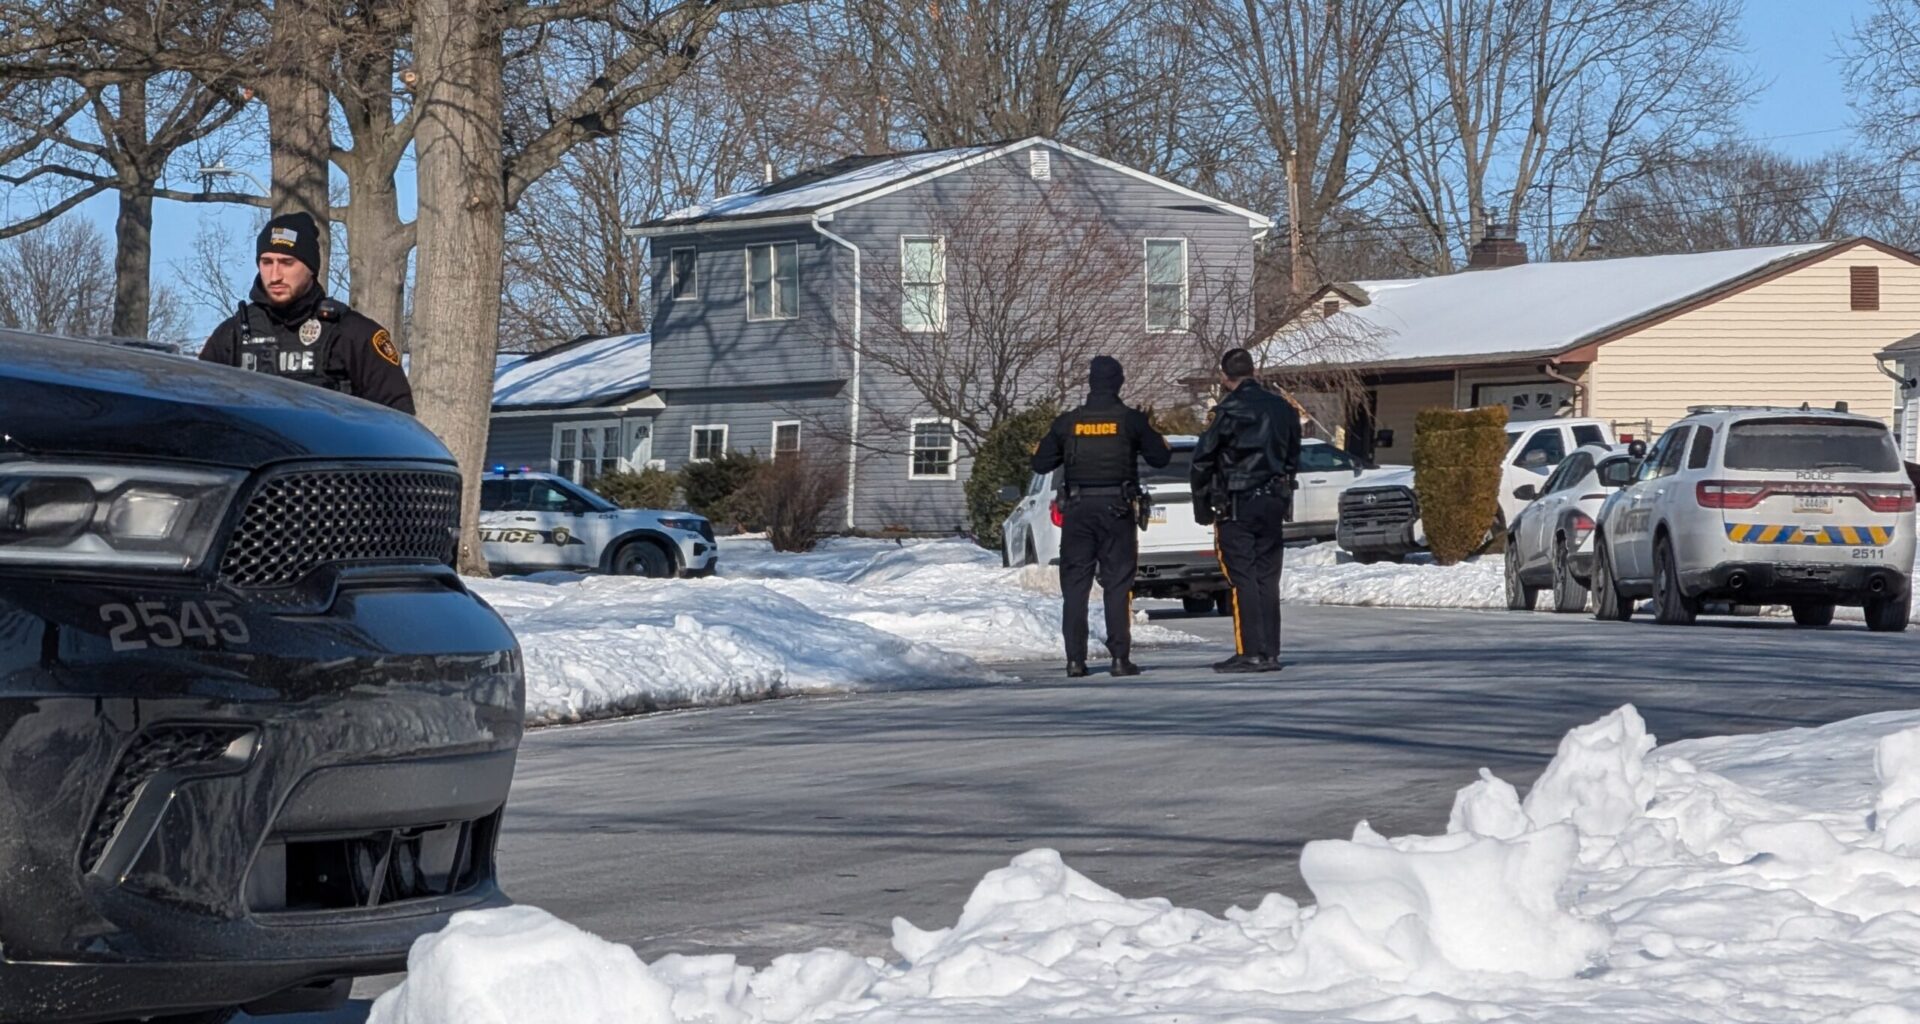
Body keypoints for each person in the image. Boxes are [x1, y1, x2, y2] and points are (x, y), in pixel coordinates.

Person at [1031, 355, 1171, 678]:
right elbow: (1161, 457)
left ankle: (1075, 661)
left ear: (1090, 383)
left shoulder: (1068, 422)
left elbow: (1040, 463)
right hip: (1117, 510)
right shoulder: (1130, 420)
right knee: (1117, 585)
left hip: (1078, 512)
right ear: (1119, 382)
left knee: (1076, 587)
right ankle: (1120, 659)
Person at [198, 212, 415, 414]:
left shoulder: (353, 335)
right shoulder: (232, 336)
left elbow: (399, 421)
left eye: (286, 263)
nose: (275, 276)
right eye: (266, 262)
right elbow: (198, 412)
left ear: (311, 267)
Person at [1190, 347, 1301, 673]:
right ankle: (1270, 652)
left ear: (1225, 377)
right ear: (1253, 372)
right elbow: (1294, 454)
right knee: (1268, 576)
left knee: (1243, 576)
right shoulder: (1283, 408)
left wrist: (1202, 504)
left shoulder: (1228, 411)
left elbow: (1203, 460)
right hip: (1273, 499)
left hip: (1237, 501)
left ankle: (1250, 651)